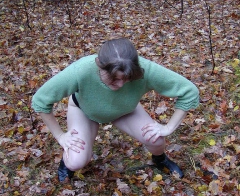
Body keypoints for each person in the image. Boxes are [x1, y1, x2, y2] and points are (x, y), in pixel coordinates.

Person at [32, 38, 199, 182]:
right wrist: (61, 136)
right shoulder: (81, 70)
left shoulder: (144, 69)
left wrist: (168, 127)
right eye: (113, 80)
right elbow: (41, 100)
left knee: (156, 140)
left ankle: (160, 159)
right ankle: (66, 162)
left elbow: (189, 91)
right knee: (76, 162)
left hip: (125, 110)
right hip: (85, 110)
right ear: (99, 65)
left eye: (126, 80)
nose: (119, 85)